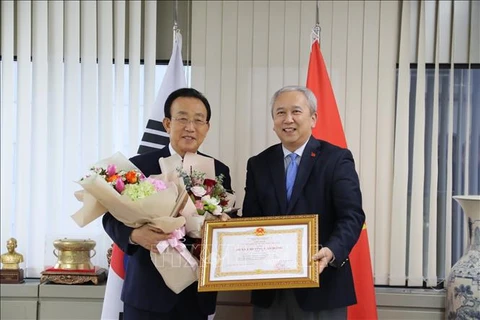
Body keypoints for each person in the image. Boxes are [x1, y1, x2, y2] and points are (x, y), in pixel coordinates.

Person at [103, 88, 232, 320]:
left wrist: (223, 225)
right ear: (166, 123)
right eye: (182, 118)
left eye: (198, 120)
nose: (190, 127)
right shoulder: (138, 166)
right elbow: (109, 218)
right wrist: (135, 235)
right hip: (147, 293)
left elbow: (225, 220)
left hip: (195, 296)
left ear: (207, 127)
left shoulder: (219, 170)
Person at [242, 85, 365, 320]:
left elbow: (352, 216)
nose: (288, 119)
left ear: (313, 118)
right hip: (270, 289)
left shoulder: (337, 159)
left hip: (322, 285)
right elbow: (251, 219)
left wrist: (331, 251)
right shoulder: (258, 164)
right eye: (280, 113)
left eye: (296, 111)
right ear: (273, 121)